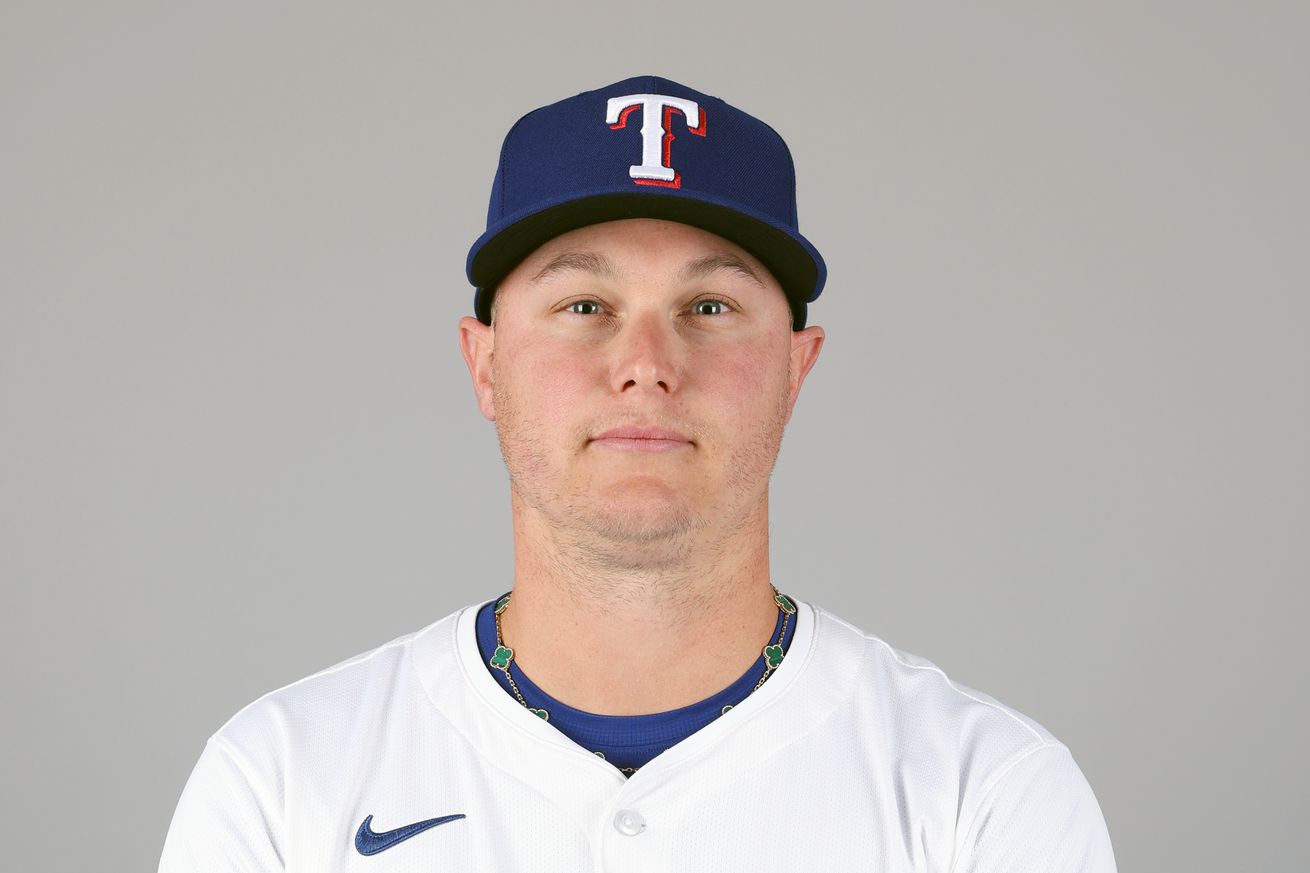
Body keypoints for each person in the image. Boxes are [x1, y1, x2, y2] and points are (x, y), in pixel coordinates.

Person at [159, 75, 1117, 871]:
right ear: (484, 363)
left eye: (708, 306)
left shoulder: (982, 794)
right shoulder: (285, 781)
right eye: (583, 305)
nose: (646, 361)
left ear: (796, 367)